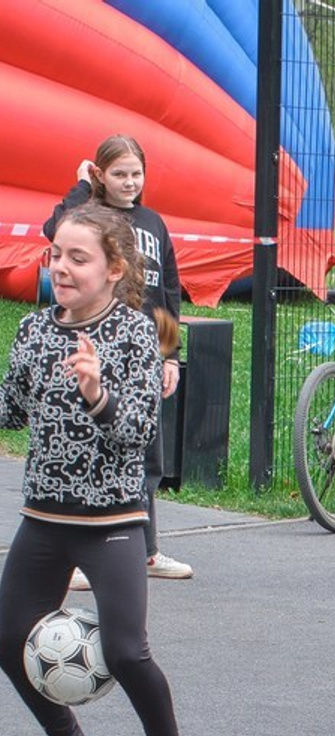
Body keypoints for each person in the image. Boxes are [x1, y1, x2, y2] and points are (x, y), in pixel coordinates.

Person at [0, 205, 204, 736]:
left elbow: (138, 433)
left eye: (78, 257)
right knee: (8, 639)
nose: (61, 266)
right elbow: (8, 411)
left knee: (124, 650)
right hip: (44, 515)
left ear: (115, 269)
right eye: (56, 254)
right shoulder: (34, 331)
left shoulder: (135, 334)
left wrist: (97, 392)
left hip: (113, 519)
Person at [44, 134, 194, 584]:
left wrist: (170, 355)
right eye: (119, 174)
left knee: (147, 455)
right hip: (99, 348)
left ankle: (145, 552)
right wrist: (79, 186)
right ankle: (74, 558)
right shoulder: (89, 217)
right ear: (101, 176)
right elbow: (54, 229)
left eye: (136, 173)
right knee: (90, 448)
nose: (129, 182)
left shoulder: (154, 222)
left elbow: (168, 291)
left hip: (146, 351)